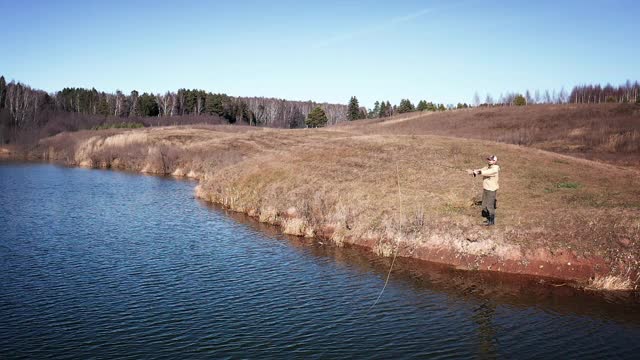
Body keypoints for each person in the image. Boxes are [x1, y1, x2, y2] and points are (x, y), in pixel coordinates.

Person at [467, 155, 500, 226]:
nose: (489, 160)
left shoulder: (495, 169)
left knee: (489, 206)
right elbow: (482, 170)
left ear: (495, 161)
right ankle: (488, 218)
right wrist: (473, 171)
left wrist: (477, 172)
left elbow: (486, 172)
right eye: (488, 159)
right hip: (486, 188)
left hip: (491, 189)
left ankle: (491, 221)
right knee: (484, 204)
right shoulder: (487, 166)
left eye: (491, 160)